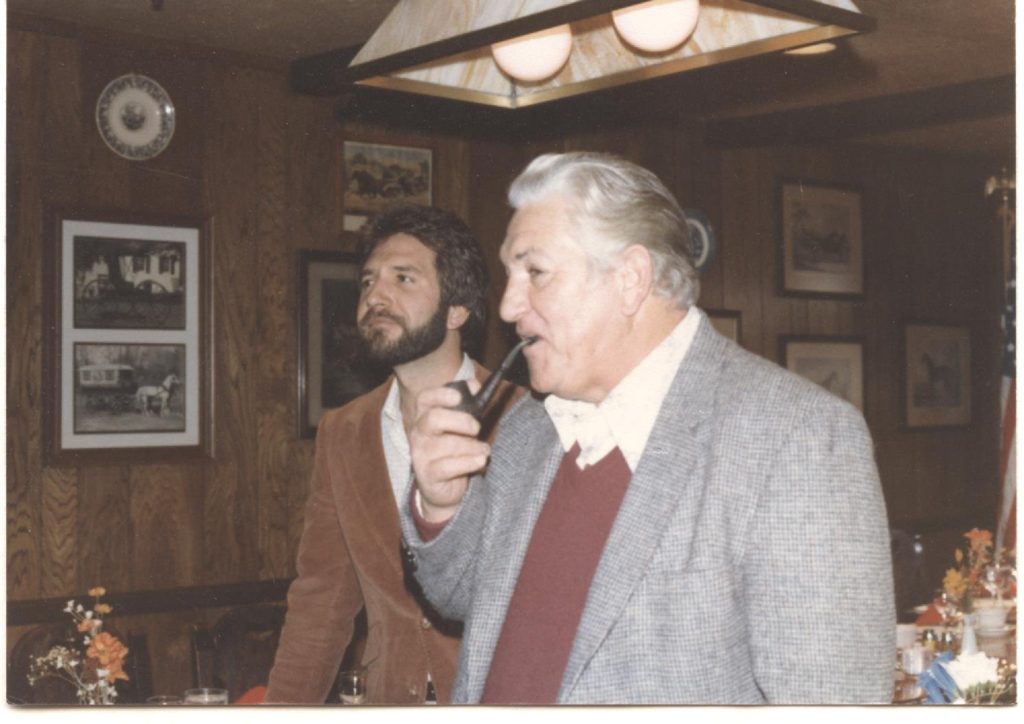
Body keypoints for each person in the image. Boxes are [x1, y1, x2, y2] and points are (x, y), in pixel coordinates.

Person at [400, 152, 896, 704]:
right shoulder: (528, 426)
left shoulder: (797, 440)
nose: (511, 306)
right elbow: (465, 599)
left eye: (535, 272)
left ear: (631, 279)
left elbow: (832, 702)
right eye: (511, 276)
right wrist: (441, 507)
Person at [266, 204, 520, 704]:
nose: (375, 296)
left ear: (457, 310)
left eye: (403, 279)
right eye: (367, 282)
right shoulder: (344, 431)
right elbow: (321, 601)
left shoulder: (525, 420)